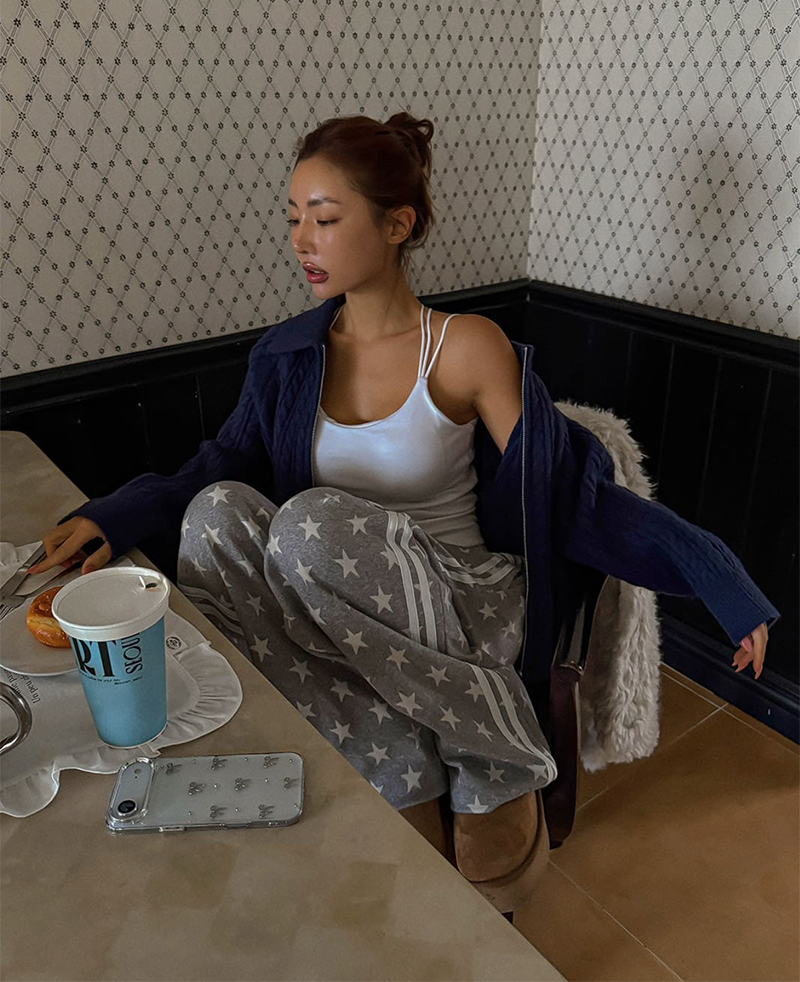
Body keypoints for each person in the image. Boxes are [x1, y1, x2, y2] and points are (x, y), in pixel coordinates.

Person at [29, 112, 777, 911]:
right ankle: (394, 755)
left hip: (464, 598)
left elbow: (569, 487)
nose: (301, 240)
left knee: (310, 526)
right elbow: (220, 465)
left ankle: (493, 747)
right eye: (292, 218)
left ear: (397, 224)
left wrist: (717, 577)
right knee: (216, 513)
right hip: (337, 601)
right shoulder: (286, 355)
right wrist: (115, 514)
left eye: (324, 219)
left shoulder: (466, 347)